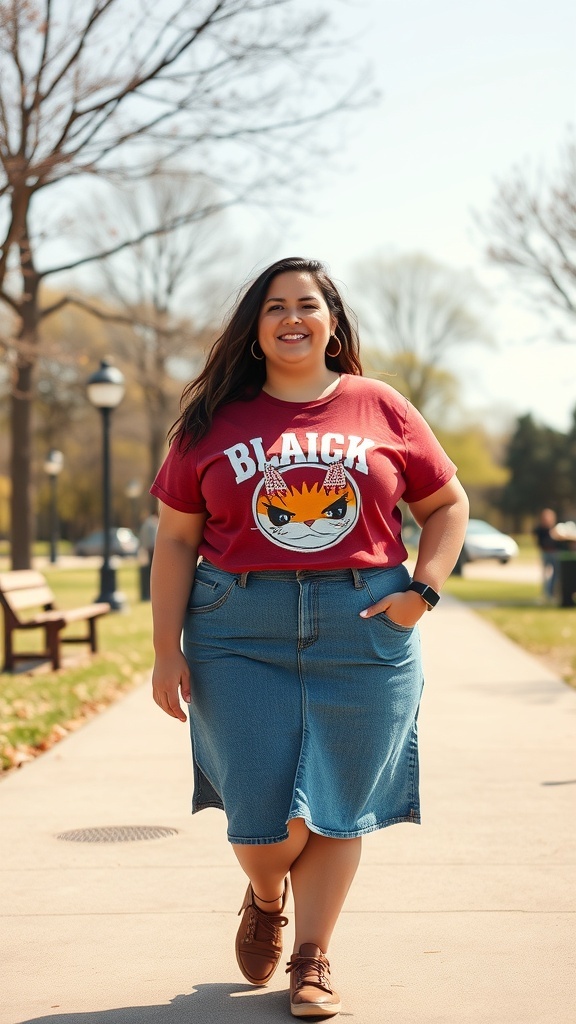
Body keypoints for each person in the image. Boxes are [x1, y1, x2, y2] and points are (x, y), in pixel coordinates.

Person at [149, 256, 469, 1019]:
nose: (293, 317)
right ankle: (265, 894)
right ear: (254, 330)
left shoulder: (380, 405)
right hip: (237, 627)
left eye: (308, 304)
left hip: (363, 628)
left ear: (332, 322)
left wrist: (421, 593)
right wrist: (166, 651)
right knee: (264, 818)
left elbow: (447, 503)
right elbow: (172, 543)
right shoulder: (211, 422)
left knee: (337, 805)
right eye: (275, 307)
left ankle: (312, 959)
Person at [533, 508, 561, 600]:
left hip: (554, 553)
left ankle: (552, 592)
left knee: (556, 573)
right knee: (545, 574)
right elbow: (538, 541)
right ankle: (546, 594)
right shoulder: (540, 529)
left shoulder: (554, 528)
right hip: (545, 553)